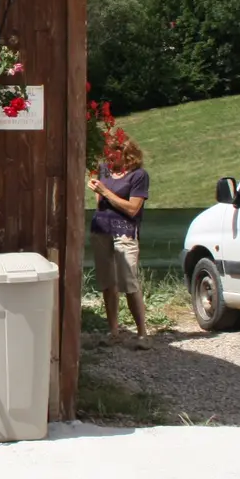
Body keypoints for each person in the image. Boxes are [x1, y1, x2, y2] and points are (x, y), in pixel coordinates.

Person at [88, 130, 151, 348]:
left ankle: (142, 333)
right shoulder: (104, 170)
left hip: (125, 230)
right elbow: (99, 204)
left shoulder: (138, 176)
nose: (108, 158)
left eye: (112, 153)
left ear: (125, 153)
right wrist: (98, 190)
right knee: (108, 282)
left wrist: (105, 192)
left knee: (129, 282)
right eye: (106, 154)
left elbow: (133, 209)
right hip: (101, 228)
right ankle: (113, 331)